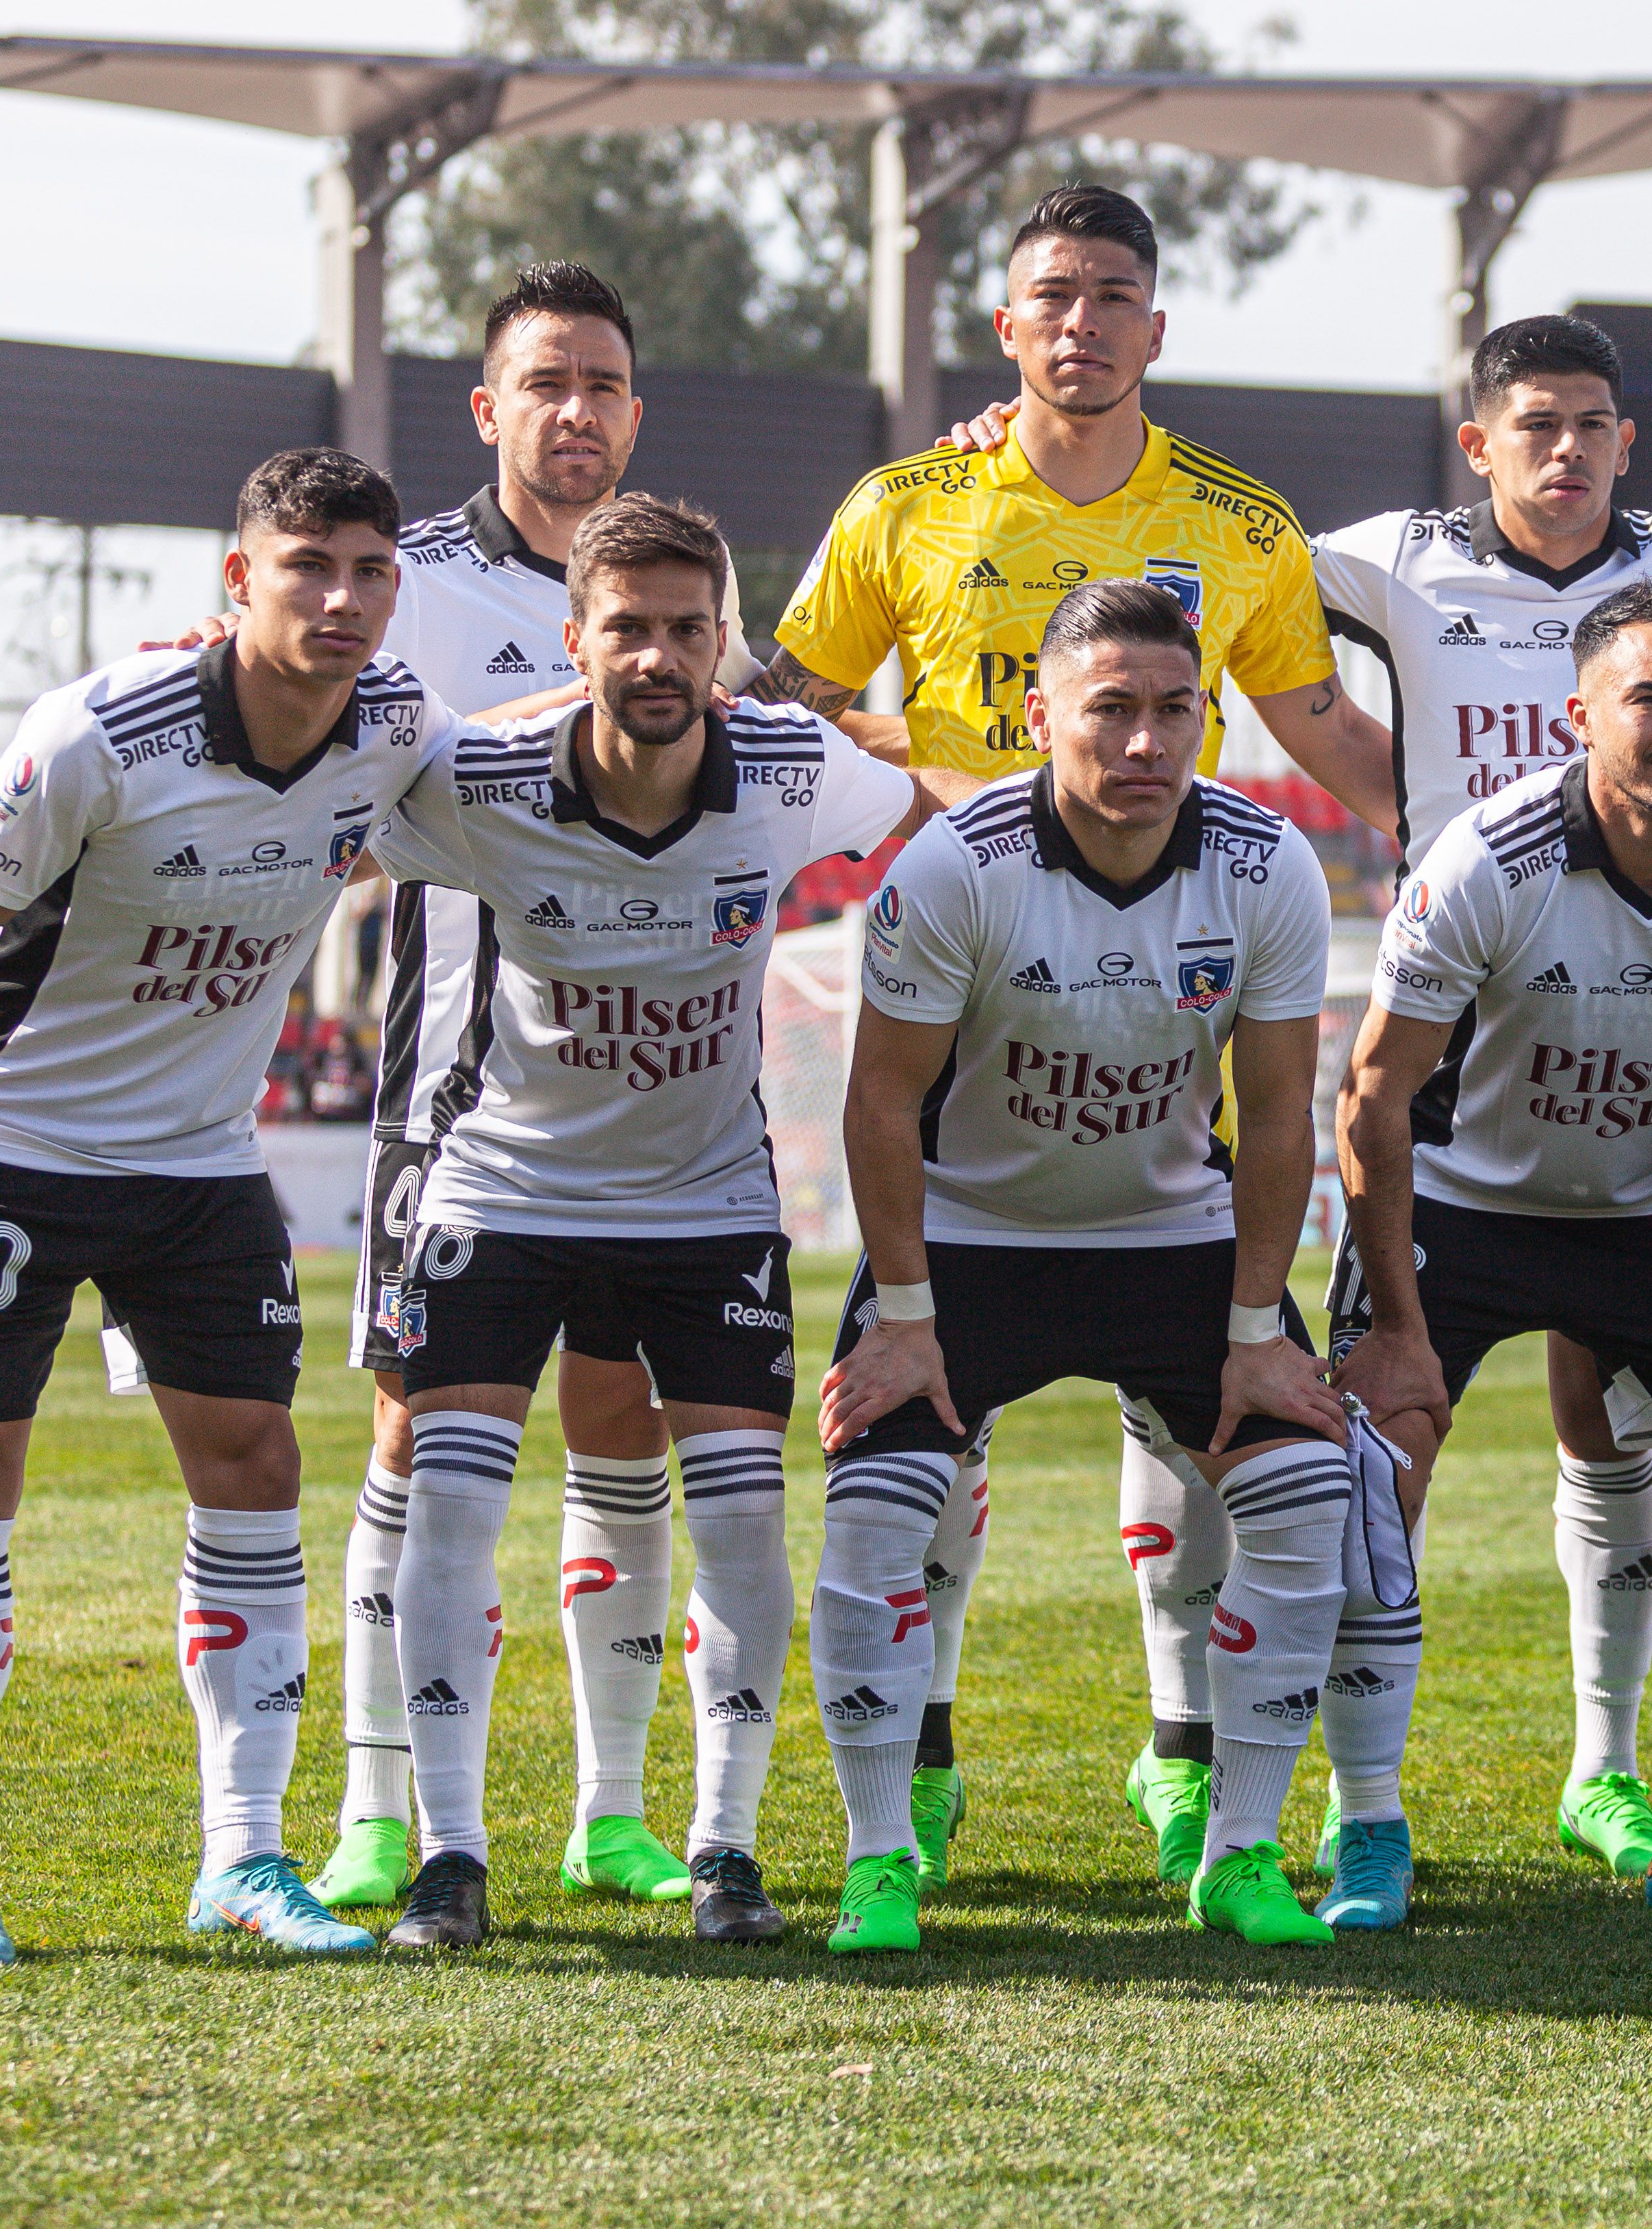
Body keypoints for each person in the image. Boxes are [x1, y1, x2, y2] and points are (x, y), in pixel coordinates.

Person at [753, 183, 1389, 1898]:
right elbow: (791, 687)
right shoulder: (907, 504)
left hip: (1164, 948)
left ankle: (1189, 1760)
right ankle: (920, 1771)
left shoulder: (1239, 525)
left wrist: (1475, 844)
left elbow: (1319, 718)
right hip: (965, 956)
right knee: (924, 1429)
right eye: (1056, 294)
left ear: (1155, 329)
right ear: (1007, 324)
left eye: (1117, 294)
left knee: (1192, 1394)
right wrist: (954, 779)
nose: (1086, 321)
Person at [0, 448, 457, 1965]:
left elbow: (522, 756)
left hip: (201, 1167)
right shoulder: (101, 730)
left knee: (257, 1461)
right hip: (12, 1151)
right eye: (306, 568)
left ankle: (245, 1858)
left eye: (368, 571)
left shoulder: (393, 722)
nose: (340, 600)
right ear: (239, 580)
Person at [360, 496, 960, 1950]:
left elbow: (941, 803)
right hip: (503, 1184)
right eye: (625, 626)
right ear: (575, 643)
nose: (658, 654)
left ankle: (724, 1848)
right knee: (448, 1507)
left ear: (722, 645)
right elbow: (312, 782)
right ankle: (447, 1851)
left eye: (688, 628)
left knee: (745, 1525)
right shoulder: (480, 773)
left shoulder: (784, 763)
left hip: (705, 1203)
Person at [816, 579, 1347, 1954]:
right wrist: (906, 1319)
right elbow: (877, 1107)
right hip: (963, 1247)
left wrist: (1252, 1328)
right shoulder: (954, 867)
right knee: (877, 1508)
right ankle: (878, 1854)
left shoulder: (1266, 862)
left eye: (1176, 711)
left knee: (1303, 1493)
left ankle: (1237, 1851)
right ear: (1041, 714)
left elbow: (1280, 1114)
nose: (1143, 742)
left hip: (1168, 1240)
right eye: (1109, 709)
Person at [320, 263, 759, 1912]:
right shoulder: (407, 580)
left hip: (652, 1115)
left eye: (603, 386)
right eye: (545, 384)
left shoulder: (687, 589)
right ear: (489, 407)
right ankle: (382, 1799)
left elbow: (767, 743)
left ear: (635, 412)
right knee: (417, 1428)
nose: (575, 412)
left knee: (626, 1421)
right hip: (457, 1087)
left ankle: (611, 1803)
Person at [1328, 578, 1652, 1928]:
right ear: (1579, 716)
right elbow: (1372, 1098)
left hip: (1642, 1208)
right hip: (1456, 1204)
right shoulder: (1486, 858)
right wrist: (1388, 1320)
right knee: (1372, 1467)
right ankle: (1364, 1824)